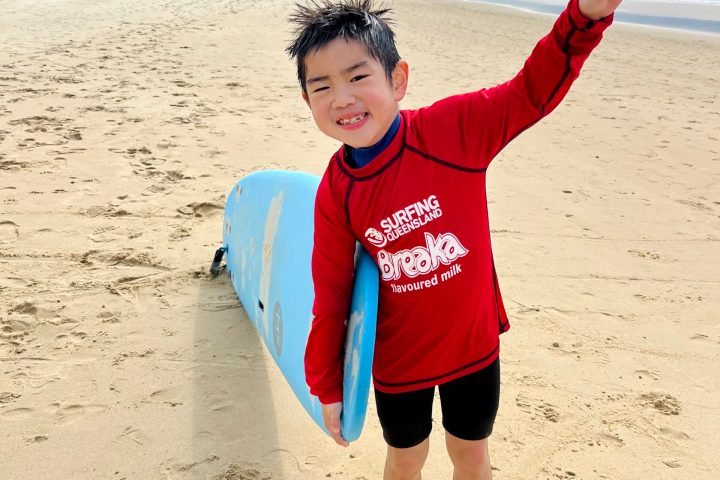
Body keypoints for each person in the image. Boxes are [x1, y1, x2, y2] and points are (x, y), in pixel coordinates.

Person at [286, 0, 620, 478]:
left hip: (472, 350)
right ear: (308, 101)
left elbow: (531, 91)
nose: (342, 98)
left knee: (470, 454)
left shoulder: (452, 131)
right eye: (323, 86)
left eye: (358, 77)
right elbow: (333, 296)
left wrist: (584, 17)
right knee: (405, 459)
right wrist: (328, 385)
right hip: (398, 362)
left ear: (397, 79)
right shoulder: (336, 191)